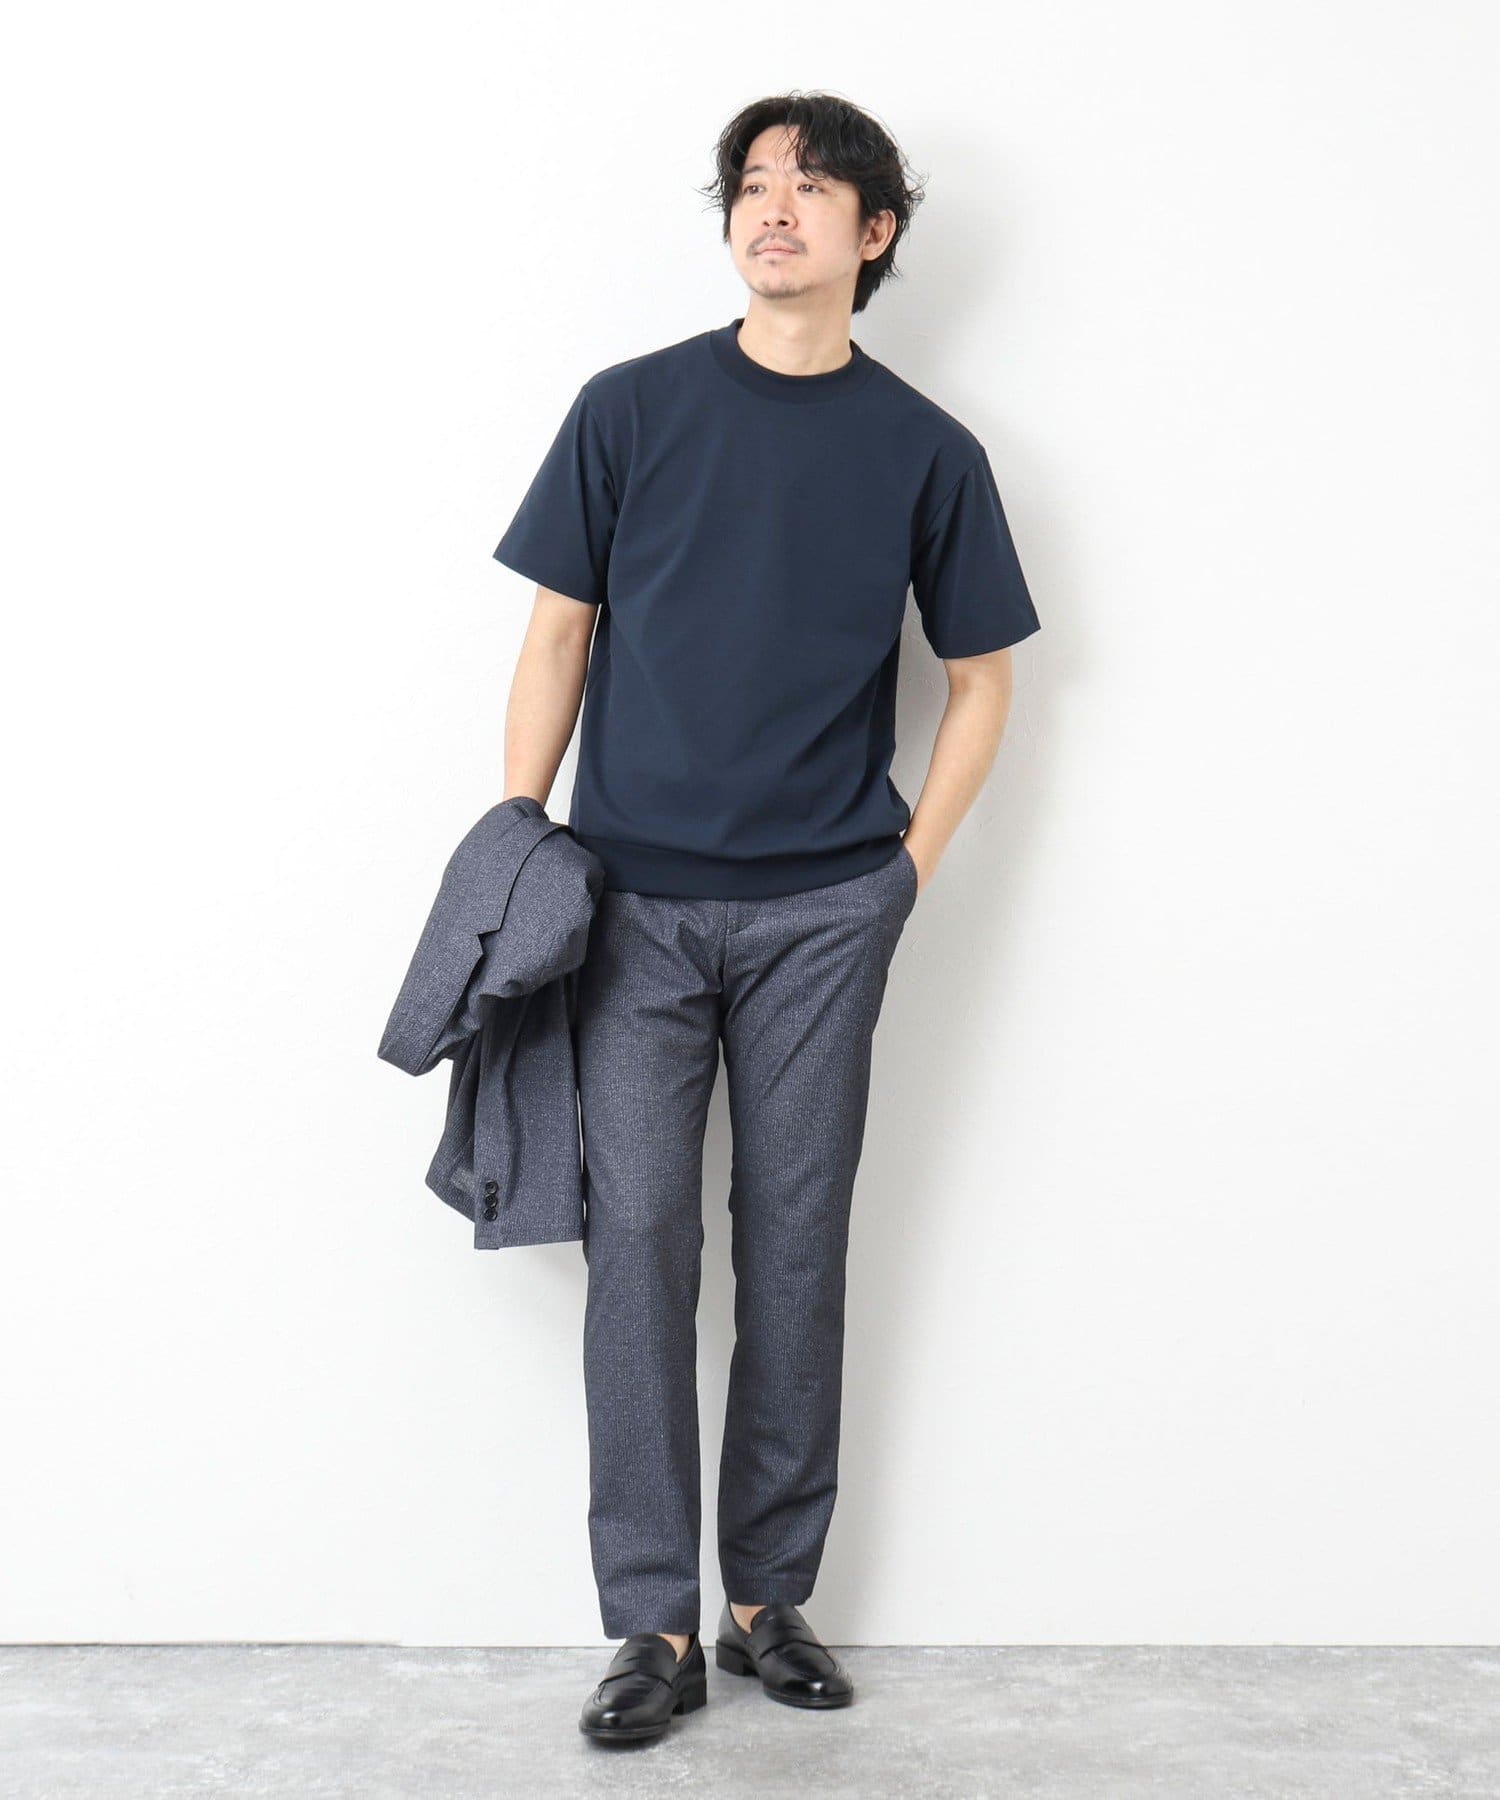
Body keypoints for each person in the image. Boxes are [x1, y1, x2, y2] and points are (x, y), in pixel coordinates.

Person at [491, 90, 1041, 1743]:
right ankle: (650, 1624)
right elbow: (557, 635)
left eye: (812, 187)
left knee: (799, 1250)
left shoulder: (927, 450)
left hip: (823, 913)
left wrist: (903, 873)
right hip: (631, 909)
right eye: (752, 184)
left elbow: (984, 678)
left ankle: (764, 1602)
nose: (773, 208)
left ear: (877, 233)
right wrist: (520, 839)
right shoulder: (630, 409)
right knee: (641, 1251)